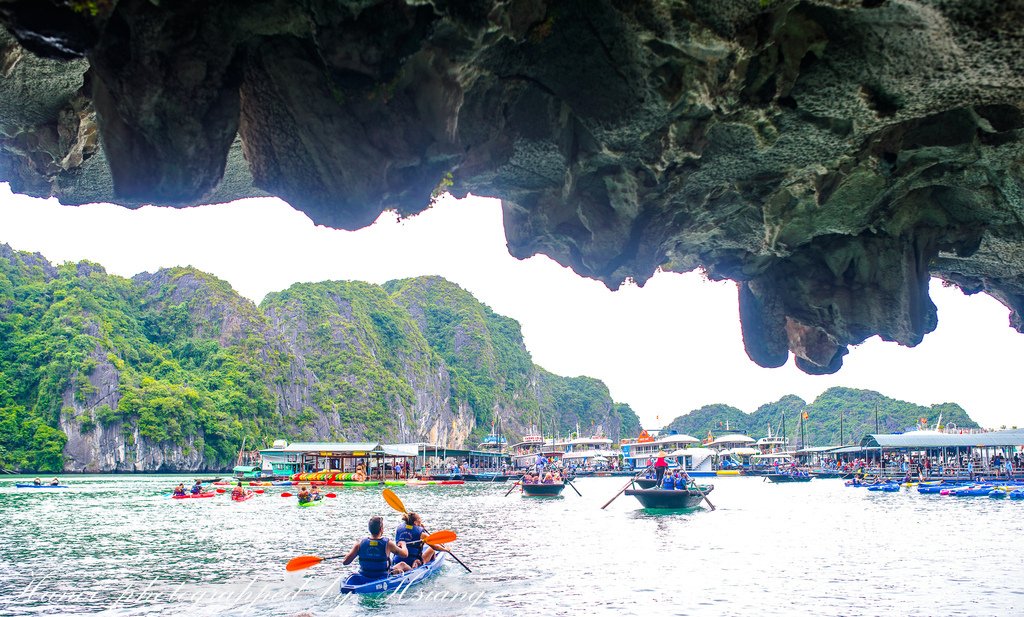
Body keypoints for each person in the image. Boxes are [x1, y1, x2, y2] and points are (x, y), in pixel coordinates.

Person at [342, 516, 408, 581]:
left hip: (365, 575)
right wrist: (403, 544)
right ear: (381, 529)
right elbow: (405, 554)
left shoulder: (359, 543)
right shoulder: (388, 544)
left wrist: (351, 553)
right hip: (382, 576)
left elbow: (345, 562)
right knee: (402, 564)